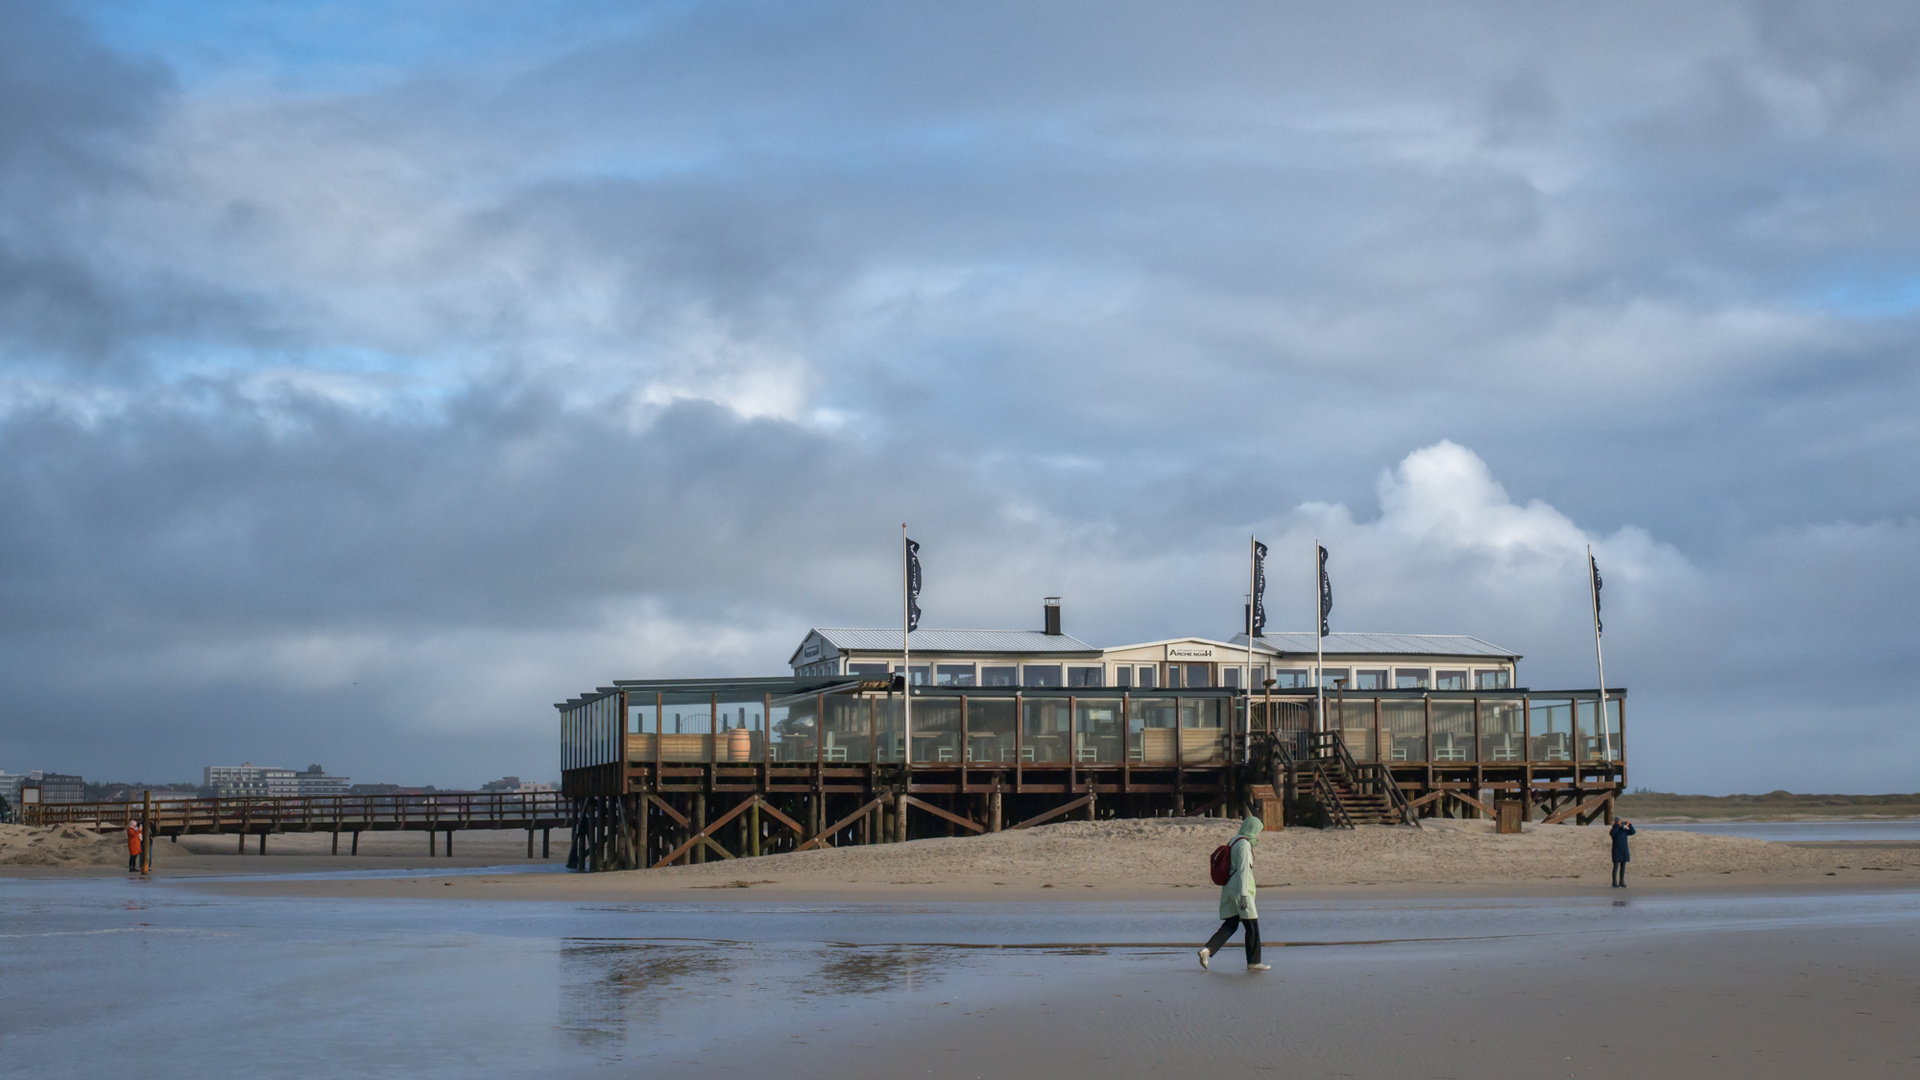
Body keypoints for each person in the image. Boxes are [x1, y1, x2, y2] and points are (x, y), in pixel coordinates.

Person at [1199, 816, 1270, 972]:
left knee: (1231, 924)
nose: (1258, 836)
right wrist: (1244, 895)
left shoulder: (1234, 840)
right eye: (1257, 832)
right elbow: (1243, 871)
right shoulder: (1244, 844)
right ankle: (1254, 962)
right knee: (1252, 927)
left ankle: (1208, 950)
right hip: (1240, 890)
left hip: (1229, 890)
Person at [1609, 818, 1636, 887]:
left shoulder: (1624, 831)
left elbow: (1633, 832)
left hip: (1624, 850)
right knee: (1616, 867)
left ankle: (1622, 882)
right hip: (1616, 850)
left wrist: (1629, 825)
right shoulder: (1613, 830)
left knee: (1623, 867)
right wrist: (1617, 825)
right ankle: (1614, 882)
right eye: (1619, 822)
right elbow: (1613, 834)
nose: (1621, 823)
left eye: (1621, 822)